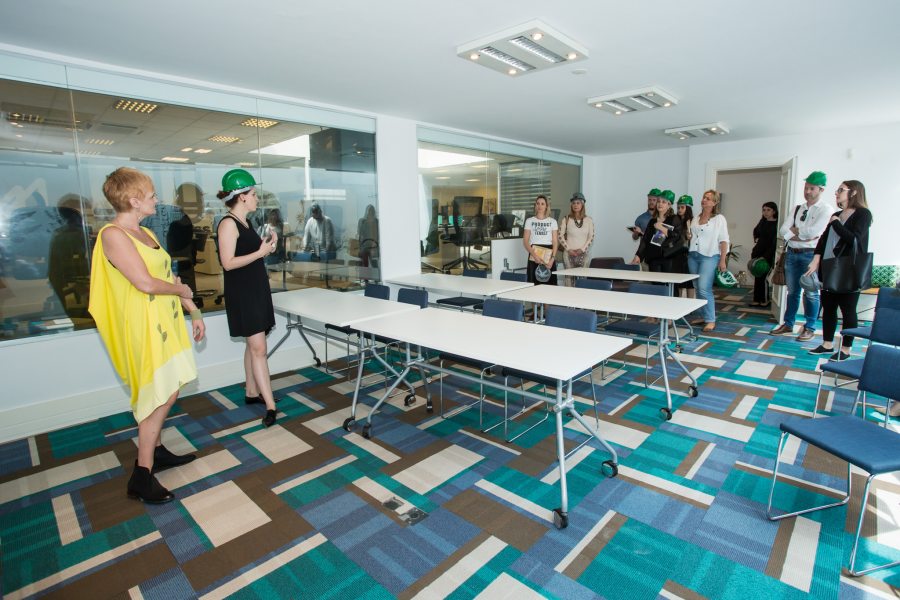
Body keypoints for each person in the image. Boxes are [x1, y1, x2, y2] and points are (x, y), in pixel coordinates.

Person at [88, 167, 205, 504]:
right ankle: (142, 474)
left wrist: (192, 309)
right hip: (142, 326)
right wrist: (182, 290)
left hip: (165, 322)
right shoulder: (113, 235)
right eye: (151, 195)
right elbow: (144, 283)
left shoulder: (145, 232)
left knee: (170, 388)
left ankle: (155, 449)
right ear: (134, 200)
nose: (157, 199)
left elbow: (166, 275)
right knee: (158, 394)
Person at [216, 169, 280, 427]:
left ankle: (252, 391)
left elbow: (248, 254)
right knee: (259, 349)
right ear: (241, 196)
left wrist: (266, 248)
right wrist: (259, 253)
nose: (256, 198)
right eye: (253, 194)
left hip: (255, 288)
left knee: (253, 344)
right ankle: (271, 406)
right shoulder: (228, 224)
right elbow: (228, 263)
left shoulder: (245, 223)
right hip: (243, 293)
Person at [804, 180, 873, 361]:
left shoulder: (863, 214)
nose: (836, 193)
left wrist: (836, 224)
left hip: (848, 270)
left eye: (841, 190)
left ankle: (846, 349)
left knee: (848, 310)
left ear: (854, 192)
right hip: (829, 267)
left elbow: (855, 240)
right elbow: (823, 240)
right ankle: (827, 344)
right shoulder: (836, 214)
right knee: (828, 308)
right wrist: (816, 259)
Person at [770, 171, 835, 341]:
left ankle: (809, 328)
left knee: (811, 293)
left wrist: (795, 232)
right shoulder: (797, 208)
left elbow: (814, 232)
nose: (807, 191)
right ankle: (788, 324)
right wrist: (800, 235)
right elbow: (783, 231)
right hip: (792, 254)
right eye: (806, 188)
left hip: (811, 256)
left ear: (821, 189)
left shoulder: (826, 209)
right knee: (792, 292)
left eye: (812, 188)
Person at [688, 190, 729, 332]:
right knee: (697, 287)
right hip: (693, 255)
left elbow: (724, 240)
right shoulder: (696, 217)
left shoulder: (719, 219)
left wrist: (722, 260)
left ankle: (711, 320)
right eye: (704, 197)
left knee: (704, 288)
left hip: (710, 256)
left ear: (715, 202)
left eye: (708, 198)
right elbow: (694, 236)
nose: (704, 200)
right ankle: (703, 316)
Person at [631, 190, 683, 273]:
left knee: (667, 280)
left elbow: (678, 236)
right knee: (655, 281)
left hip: (669, 258)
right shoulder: (652, 221)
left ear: (669, 205)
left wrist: (662, 228)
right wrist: (638, 255)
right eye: (658, 201)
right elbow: (645, 240)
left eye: (663, 202)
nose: (660, 204)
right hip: (653, 258)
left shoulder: (674, 219)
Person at [558, 192, 594, 282]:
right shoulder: (566, 219)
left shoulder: (589, 220)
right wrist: (569, 249)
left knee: (583, 280)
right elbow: (560, 236)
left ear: (582, 204)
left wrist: (582, 249)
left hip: (583, 254)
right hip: (568, 254)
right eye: (573, 203)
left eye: (578, 203)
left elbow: (591, 237)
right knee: (569, 280)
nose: (575, 205)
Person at [523, 194, 558, 285]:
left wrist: (552, 259)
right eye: (537, 203)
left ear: (546, 206)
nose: (540, 206)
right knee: (533, 284)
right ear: (535, 205)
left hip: (549, 254)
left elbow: (555, 242)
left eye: (542, 204)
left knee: (550, 284)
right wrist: (534, 255)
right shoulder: (529, 221)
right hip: (534, 253)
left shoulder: (553, 221)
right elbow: (525, 241)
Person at [750, 202, 779, 307]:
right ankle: (756, 299)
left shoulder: (777, 224)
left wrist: (766, 256)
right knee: (757, 276)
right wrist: (757, 238)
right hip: (757, 252)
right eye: (764, 210)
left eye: (768, 210)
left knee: (764, 277)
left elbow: (774, 243)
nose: (765, 212)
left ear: (774, 211)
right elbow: (756, 232)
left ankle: (765, 300)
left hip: (768, 255)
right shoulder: (762, 222)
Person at [674, 195, 695, 298]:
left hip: (688, 254)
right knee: (678, 281)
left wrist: (690, 235)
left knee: (689, 281)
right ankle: (679, 302)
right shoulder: (674, 220)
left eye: (682, 207)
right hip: (676, 254)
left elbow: (694, 238)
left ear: (688, 208)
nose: (679, 210)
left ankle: (690, 304)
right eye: (678, 207)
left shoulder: (693, 221)